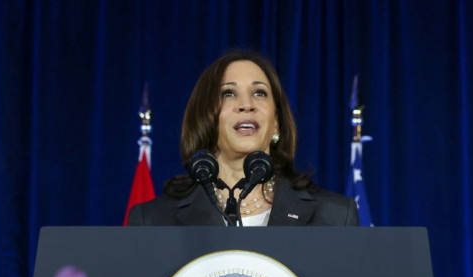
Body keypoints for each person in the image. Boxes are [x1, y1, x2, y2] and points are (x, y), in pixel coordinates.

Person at [127, 50, 359, 227]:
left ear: (276, 122)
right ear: (206, 118)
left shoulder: (335, 217)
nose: (247, 105)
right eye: (229, 94)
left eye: (259, 93)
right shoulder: (153, 220)